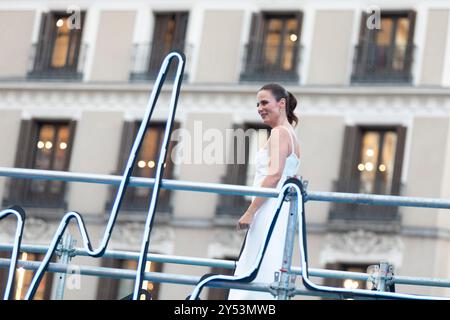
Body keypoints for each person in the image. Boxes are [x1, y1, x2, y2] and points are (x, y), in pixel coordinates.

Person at [228, 83, 300, 300]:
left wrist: (251, 211)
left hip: (268, 210)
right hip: (278, 211)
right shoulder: (291, 135)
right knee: (266, 265)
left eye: (264, 102)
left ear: (281, 103)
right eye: (258, 103)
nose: (260, 108)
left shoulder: (279, 133)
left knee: (256, 267)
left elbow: (274, 175)